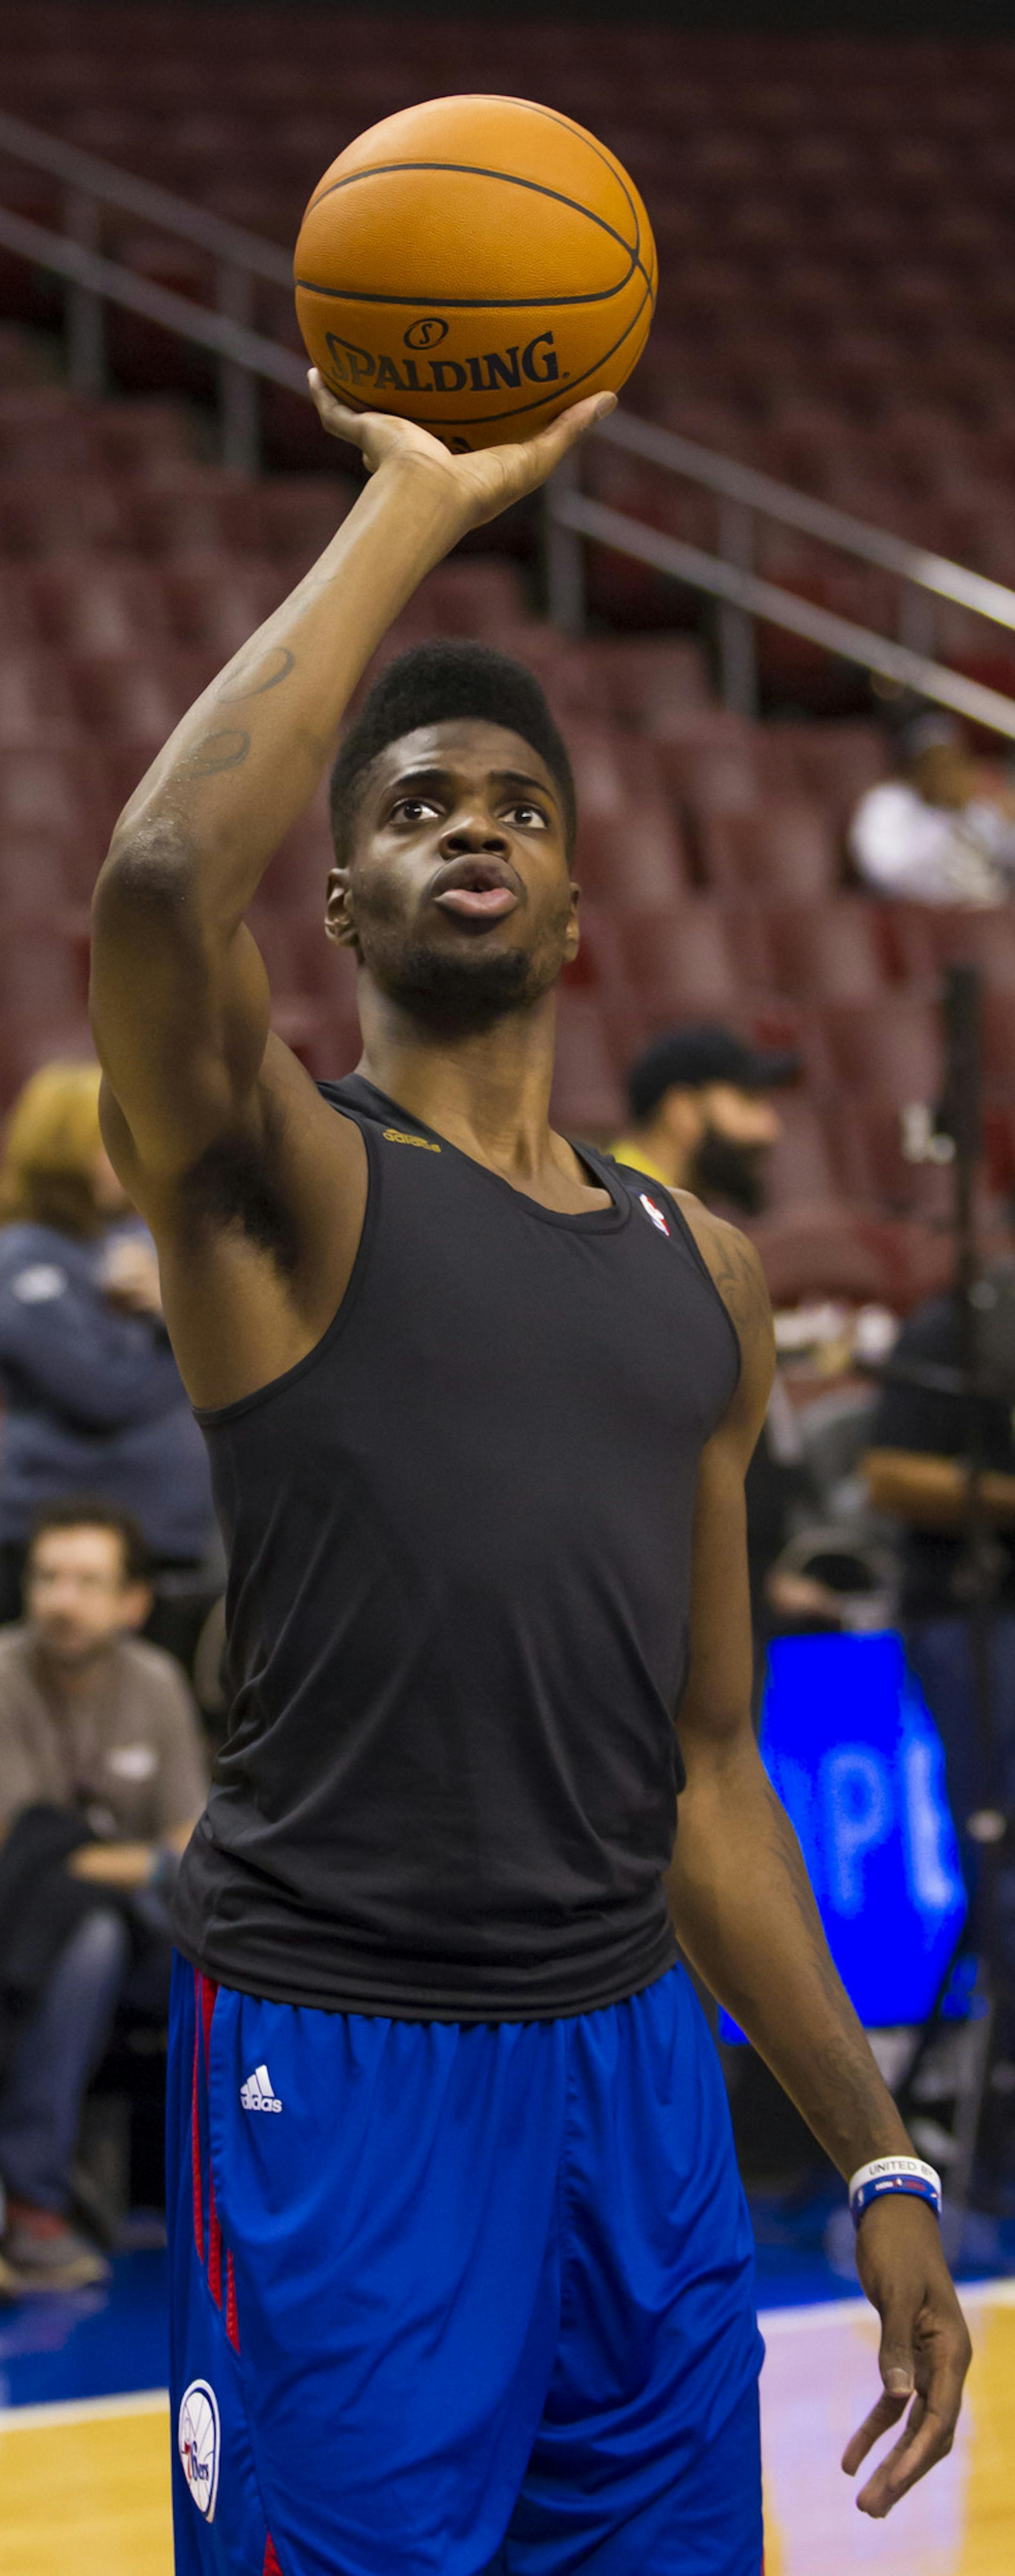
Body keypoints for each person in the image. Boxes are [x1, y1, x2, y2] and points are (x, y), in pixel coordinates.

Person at [88, 371, 969, 2576]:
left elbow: (704, 1768)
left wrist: (874, 2162)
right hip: (343, 2058)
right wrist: (417, 495)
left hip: (634, 2078)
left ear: (577, 903)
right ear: (352, 904)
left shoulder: (707, 1271)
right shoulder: (279, 1187)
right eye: (410, 805)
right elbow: (171, 872)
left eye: (510, 800)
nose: (466, 823)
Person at [0, 1499, 206, 2292]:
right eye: (48, 1577)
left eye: (88, 1581)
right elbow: (24, 1851)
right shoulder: (6, 1674)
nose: (61, 1598)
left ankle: (233, 2189)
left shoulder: (154, 1683)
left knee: (226, 1923)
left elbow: (188, 1836)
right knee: (86, 1932)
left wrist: (145, 1866)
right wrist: (143, 1861)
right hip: (30, 1929)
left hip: (148, 1920)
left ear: (133, 1602)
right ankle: (33, 2205)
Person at [0, 1060, 217, 1625]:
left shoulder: (140, 1238)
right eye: (114, 1140)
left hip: (171, 1535)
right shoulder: (22, 1259)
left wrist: (171, 1308)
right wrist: (191, 1336)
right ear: (63, 1150)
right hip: (66, 1548)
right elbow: (105, 1394)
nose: (135, 1154)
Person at [864, 1277, 1015, 2085]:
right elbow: (887, 1476)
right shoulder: (965, 1323)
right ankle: (1003, 2092)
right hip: (979, 1619)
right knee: (1008, 1858)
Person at [613, 1023, 798, 1220]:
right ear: (681, 1110)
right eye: (748, 1101)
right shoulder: (618, 1213)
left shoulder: (669, 1211)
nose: (771, 1128)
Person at [849, 705, 1015, 906]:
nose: (950, 772)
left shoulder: (974, 807)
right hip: (917, 915)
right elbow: (886, 870)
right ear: (919, 765)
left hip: (988, 913)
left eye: (955, 762)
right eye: (939, 762)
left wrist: (1007, 817)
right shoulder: (888, 802)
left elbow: (1006, 854)